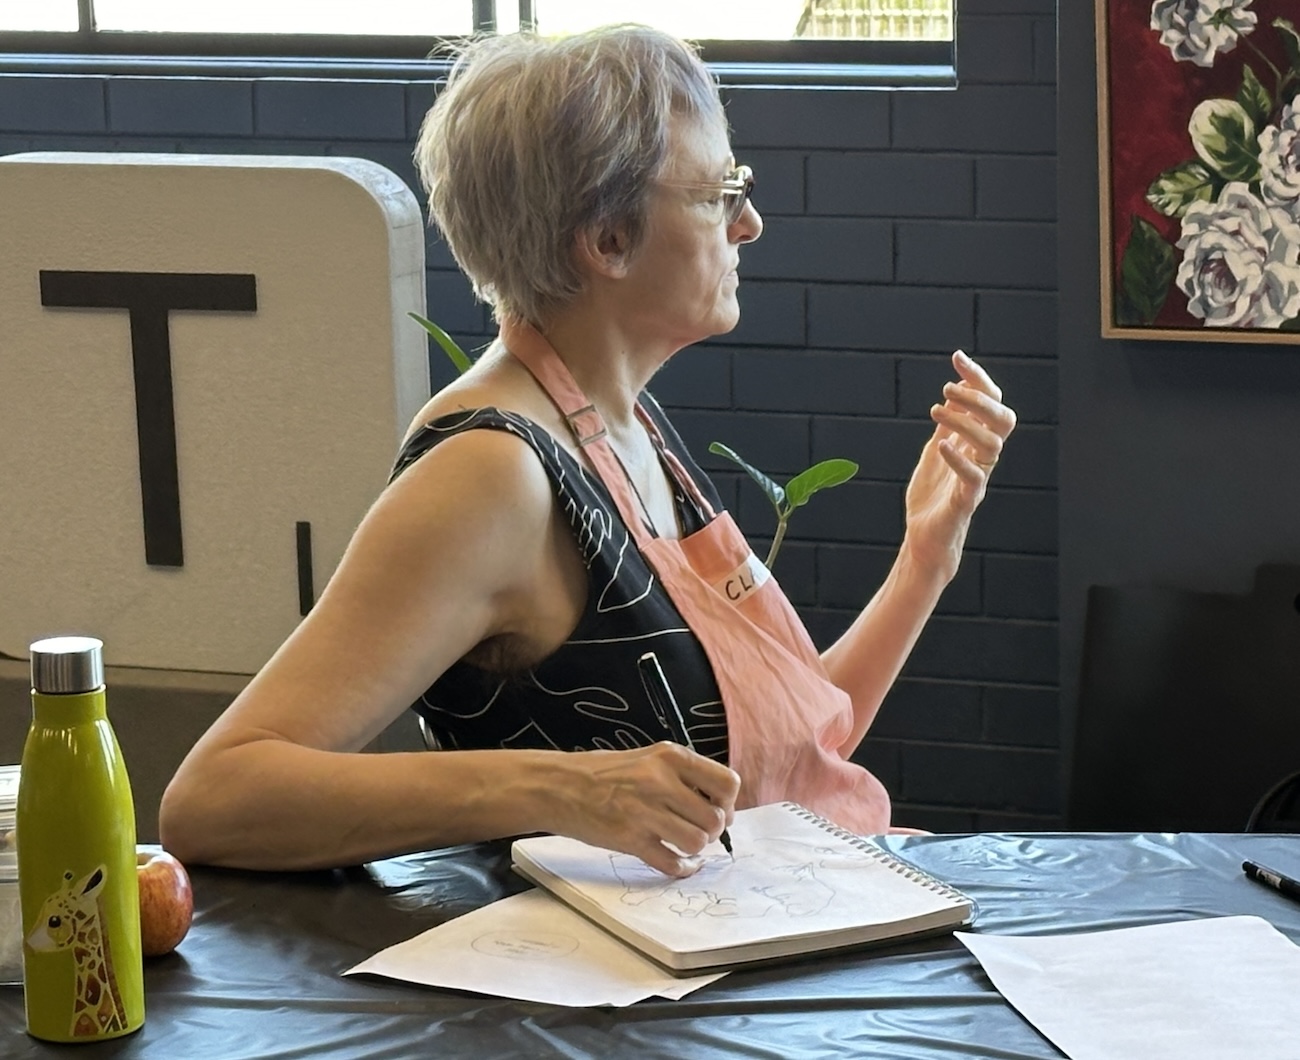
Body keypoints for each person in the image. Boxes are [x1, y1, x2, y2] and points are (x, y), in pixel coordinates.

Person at [160, 24, 1016, 877]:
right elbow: (216, 796)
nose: (750, 224)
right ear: (608, 240)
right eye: (721, 194)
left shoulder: (628, 428)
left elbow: (792, 761)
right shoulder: (493, 472)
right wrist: (562, 788)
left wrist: (924, 560)